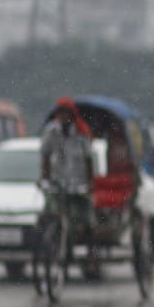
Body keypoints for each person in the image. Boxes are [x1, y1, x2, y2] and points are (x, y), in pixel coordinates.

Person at [40, 97, 95, 259]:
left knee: (87, 219)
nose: (63, 117)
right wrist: (45, 178)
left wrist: (90, 183)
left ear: (72, 115)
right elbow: (45, 156)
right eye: (60, 114)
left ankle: (90, 255)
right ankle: (48, 242)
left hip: (78, 183)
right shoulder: (51, 131)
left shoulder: (82, 133)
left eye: (66, 114)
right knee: (48, 212)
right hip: (58, 181)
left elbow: (89, 159)